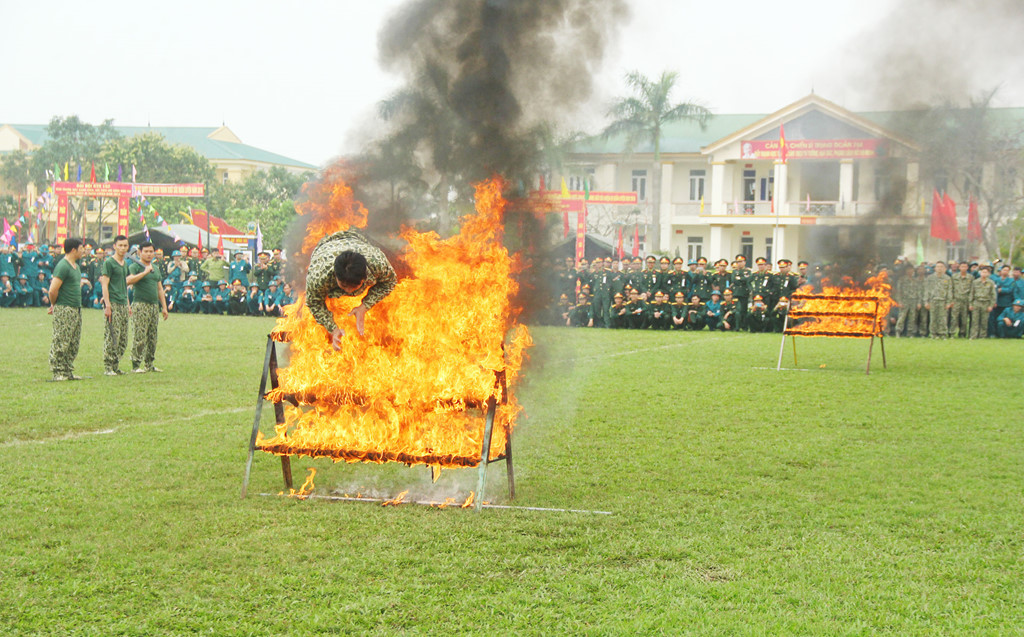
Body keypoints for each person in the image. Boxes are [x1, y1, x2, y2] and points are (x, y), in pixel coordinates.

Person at [305, 229, 398, 349]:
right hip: (325, 247)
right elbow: (314, 303)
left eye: (354, 286)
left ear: (365, 277)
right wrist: (333, 329)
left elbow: (390, 281)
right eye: (344, 286)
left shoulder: (377, 262)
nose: (349, 291)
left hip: (356, 239)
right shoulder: (319, 275)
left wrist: (364, 306)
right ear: (335, 276)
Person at [48, 237, 87, 381]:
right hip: (65, 307)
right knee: (61, 340)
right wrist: (54, 304)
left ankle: (67, 370)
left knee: (73, 341)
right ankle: (58, 371)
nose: (83, 251)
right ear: (73, 250)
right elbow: (53, 290)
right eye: (81, 248)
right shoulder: (63, 266)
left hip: (76, 308)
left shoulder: (76, 266)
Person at [126, 242, 169, 373]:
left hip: (153, 306)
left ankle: (149, 364)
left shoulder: (155, 268)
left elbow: (159, 288)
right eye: (146, 251)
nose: (149, 254)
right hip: (140, 305)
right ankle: (136, 365)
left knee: (152, 337)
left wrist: (164, 307)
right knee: (139, 336)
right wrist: (144, 273)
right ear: (140, 252)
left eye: (151, 251)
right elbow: (128, 280)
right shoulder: (135, 266)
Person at [99, 235, 131, 375]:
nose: (123, 248)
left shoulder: (125, 264)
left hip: (123, 302)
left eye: (125, 245)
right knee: (112, 335)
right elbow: (104, 284)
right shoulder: (109, 263)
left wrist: (128, 304)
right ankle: (108, 366)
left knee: (123, 337)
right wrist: (107, 305)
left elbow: (124, 285)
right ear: (114, 246)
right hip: (113, 302)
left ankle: (115, 365)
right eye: (120, 245)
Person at [924, 261, 953, 339]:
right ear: (935, 268)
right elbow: (927, 290)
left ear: (944, 269)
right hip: (932, 300)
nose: (939, 268)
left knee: (943, 318)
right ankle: (933, 334)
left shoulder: (947, 278)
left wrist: (948, 302)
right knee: (933, 318)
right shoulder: (930, 278)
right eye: (938, 267)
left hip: (943, 301)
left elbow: (949, 290)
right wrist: (926, 301)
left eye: (941, 267)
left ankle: (942, 334)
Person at [968, 265, 997, 340]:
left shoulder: (991, 283)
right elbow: (972, 293)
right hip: (976, 302)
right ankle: (973, 335)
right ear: (980, 273)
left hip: (986, 303)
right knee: (975, 320)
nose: (984, 274)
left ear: (988, 274)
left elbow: (993, 295)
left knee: (984, 321)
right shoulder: (975, 282)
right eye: (982, 272)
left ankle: (982, 336)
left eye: (985, 272)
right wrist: (970, 304)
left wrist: (991, 305)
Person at [949, 261, 973, 338]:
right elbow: (951, 288)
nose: (963, 268)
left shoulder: (970, 277)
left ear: (967, 268)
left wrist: (970, 302)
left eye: (965, 267)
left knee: (964, 318)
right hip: (956, 300)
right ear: (959, 267)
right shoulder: (954, 277)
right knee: (954, 317)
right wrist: (951, 300)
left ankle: (962, 333)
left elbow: (972, 290)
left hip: (965, 300)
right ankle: (952, 333)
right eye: (962, 266)